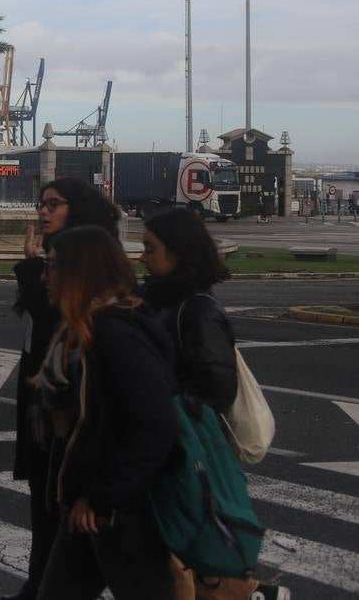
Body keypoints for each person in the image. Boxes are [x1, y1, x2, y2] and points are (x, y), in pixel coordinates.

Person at [139, 208, 290, 600]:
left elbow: (215, 388)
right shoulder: (158, 300)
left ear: (177, 253)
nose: (141, 256)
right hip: (170, 448)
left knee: (182, 558)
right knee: (186, 555)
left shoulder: (198, 310)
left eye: (150, 248)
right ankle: (256, 593)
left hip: (190, 452)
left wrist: (165, 407)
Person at [34, 225, 178, 600]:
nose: (44, 277)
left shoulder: (114, 333)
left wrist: (101, 496)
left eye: (52, 266)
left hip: (120, 512)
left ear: (80, 272)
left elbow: (155, 425)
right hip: (90, 507)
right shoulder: (80, 333)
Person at [6, 178, 121, 600]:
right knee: (45, 506)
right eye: (42, 203)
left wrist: (32, 267)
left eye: (54, 204)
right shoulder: (55, 259)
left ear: (79, 209)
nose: (43, 211)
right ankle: (38, 585)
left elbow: (57, 321)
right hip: (44, 407)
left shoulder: (84, 265)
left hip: (66, 417)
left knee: (57, 508)